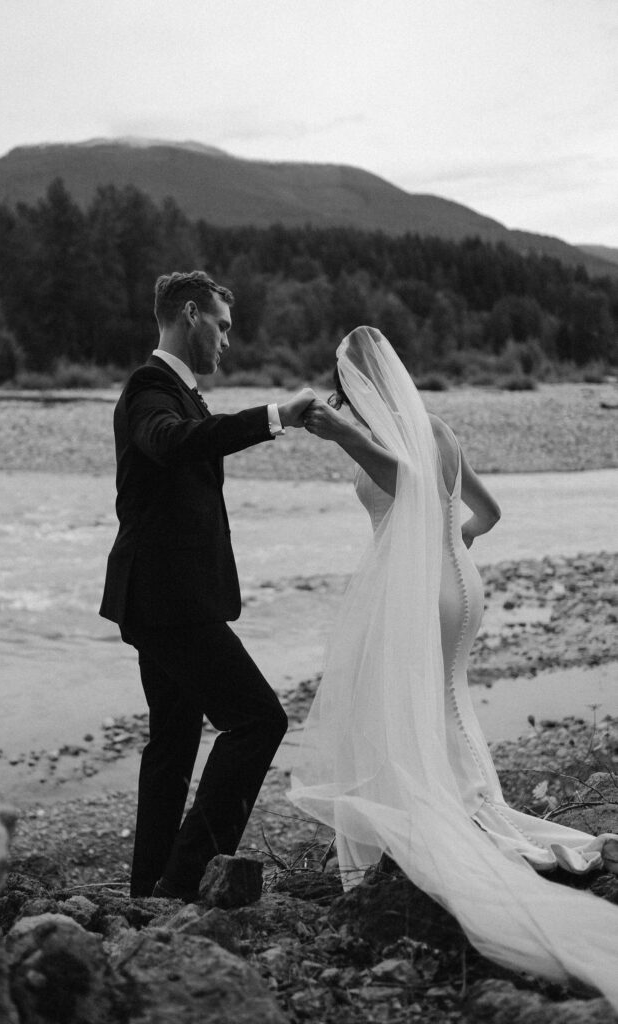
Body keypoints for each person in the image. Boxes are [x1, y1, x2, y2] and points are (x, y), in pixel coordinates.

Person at [289, 326, 618, 1007]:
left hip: (420, 594)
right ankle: (473, 807)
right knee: (448, 699)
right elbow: (487, 513)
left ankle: (451, 821)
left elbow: (405, 485)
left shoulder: (390, 443)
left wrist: (340, 436)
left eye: (348, 392)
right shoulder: (437, 428)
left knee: (403, 702)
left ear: (359, 388)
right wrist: (453, 542)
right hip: (462, 584)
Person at [100, 270, 315, 900]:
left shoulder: (181, 393)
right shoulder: (150, 388)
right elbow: (172, 443)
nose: (226, 340)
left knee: (172, 739)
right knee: (258, 721)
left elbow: (192, 438)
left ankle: (148, 889)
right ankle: (187, 876)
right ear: (189, 314)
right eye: (220, 325)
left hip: (163, 598)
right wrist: (275, 416)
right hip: (167, 603)